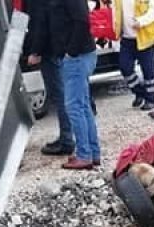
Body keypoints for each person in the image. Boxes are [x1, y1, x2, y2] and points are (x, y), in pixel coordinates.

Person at [42, 0, 99, 170]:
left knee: (74, 106)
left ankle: (84, 155)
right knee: (82, 106)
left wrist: (71, 52)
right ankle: (92, 152)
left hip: (77, 57)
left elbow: (82, 21)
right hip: (79, 55)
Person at [25, 0, 73, 156]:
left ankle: (67, 140)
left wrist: (35, 51)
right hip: (55, 47)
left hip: (49, 50)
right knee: (61, 95)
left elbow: (41, 23)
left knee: (59, 96)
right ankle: (67, 137)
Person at [113, 0, 154, 110]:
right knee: (125, 67)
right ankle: (139, 92)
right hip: (127, 38)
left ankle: (151, 100)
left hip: (145, 37)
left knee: (148, 70)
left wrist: (141, 21)